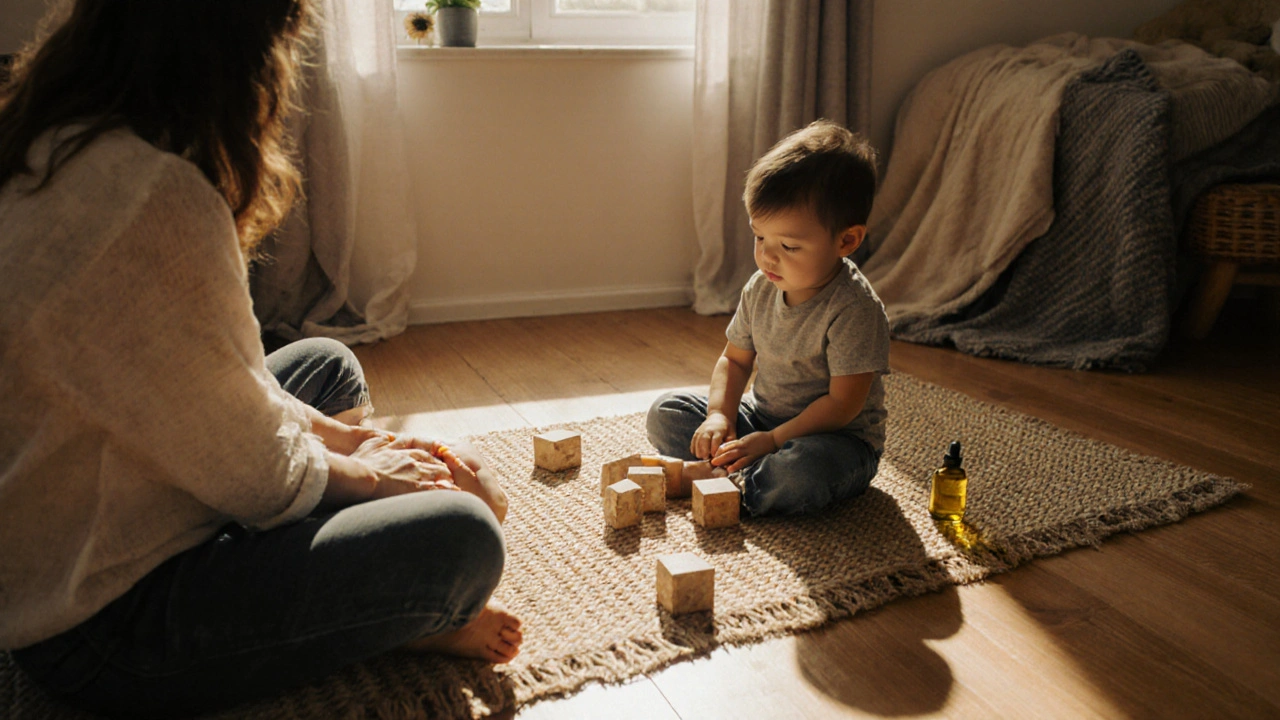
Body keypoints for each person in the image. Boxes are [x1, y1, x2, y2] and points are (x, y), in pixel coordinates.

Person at [0, 1, 521, 717]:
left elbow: (218, 381)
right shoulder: (155, 193)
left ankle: (337, 582)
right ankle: (380, 622)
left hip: (74, 525)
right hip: (103, 627)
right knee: (463, 539)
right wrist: (374, 479)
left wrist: (351, 440)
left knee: (325, 364)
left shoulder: (56, 142)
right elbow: (256, 473)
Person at [647, 120, 890, 517]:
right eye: (760, 237)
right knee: (667, 412)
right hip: (762, 418)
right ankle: (735, 469)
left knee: (798, 476)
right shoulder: (761, 286)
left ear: (846, 240)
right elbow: (735, 360)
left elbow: (842, 406)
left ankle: (724, 480)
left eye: (789, 246)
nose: (767, 257)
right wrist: (719, 417)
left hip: (834, 440)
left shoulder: (855, 310)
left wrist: (773, 441)